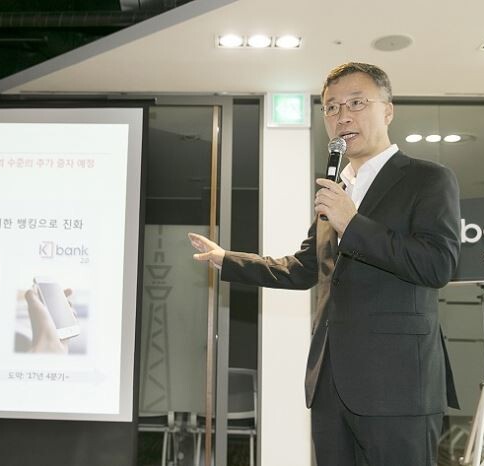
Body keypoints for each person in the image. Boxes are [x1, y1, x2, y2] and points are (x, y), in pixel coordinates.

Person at [188, 62, 461, 466]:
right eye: (331, 107)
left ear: (388, 111)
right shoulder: (336, 190)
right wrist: (227, 260)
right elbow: (304, 268)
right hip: (331, 384)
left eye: (356, 103)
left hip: (400, 385)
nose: (341, 116)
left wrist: (353, 223)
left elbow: (438, 265)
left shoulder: (427, 179)